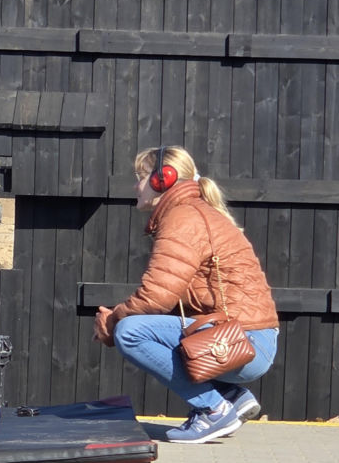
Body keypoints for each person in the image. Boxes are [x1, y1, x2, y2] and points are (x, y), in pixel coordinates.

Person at [93, 146, 279, 444]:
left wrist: (113, 320)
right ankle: (231, 395)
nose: (135, 186)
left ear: (161, 180)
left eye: (139, 177)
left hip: (243, 342)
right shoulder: (191, 213)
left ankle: (215, 410)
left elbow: (156, 296)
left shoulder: (183, 218)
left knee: (130, 332)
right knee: (146, 328)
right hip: (248, 338)